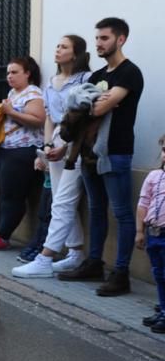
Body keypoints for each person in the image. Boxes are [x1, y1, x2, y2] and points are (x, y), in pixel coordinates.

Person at [58, 18, 145, 296]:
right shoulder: (96, 76)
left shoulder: (129, 73)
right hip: (88, 153)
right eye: (97, 39)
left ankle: (121, 274)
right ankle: (94, 263)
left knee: (121, 213)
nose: (98, 43)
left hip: (115, 152)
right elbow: (78, 104)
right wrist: (91, 102)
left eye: (104, 38)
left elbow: (94, 108)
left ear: (121, 40)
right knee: (96, 211)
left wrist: (90, 103)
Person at [12, 35, 90, 277]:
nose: (58, 50)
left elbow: (84, 118)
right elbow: (48, 117)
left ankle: (45, 257)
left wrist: (65, 146)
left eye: (64, 47)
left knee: (63, 200)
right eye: (57, 45)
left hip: (76, 143)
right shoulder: (52, 82)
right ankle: (75, 252)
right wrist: (46, 148)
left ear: (75, 53)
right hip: (56, 140)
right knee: (60, 198)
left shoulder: (86, 79)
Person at [0, 56, 45, 250]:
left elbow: (38, 119)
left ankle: (2, 235)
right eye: (8, 73)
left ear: (28, 73)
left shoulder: (33, 93)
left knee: (12, 195)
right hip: (6, 149)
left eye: (14, 72)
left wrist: (10, 112)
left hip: (22, 152)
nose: (9, 76)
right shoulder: (13, 93)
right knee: (2, 193)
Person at [136, 136, 165, 333]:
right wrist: (140, 231)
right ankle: (163, 309)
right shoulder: (155, 176)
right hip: (154, 232)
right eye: (164, 149)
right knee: (159, 273)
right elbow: (143, 203)